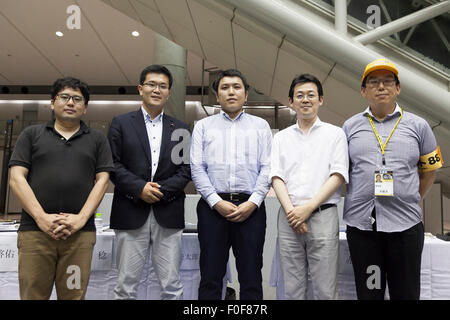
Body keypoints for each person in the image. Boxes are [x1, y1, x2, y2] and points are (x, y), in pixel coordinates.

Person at [342, 58, 443, 300]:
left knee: (405, 293)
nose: (381, 87)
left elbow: (430, 170)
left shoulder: (419, 126)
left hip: (405, 228)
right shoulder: (349, 127)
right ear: (363, 90)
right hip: (364, 229)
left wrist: (413, 197)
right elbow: (342, 171)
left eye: (388, 81)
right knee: (370, 292)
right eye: (374, 82)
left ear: (398, 88)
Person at [9, 77, 113, 300]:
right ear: (52, 102)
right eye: (64, 97)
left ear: (85, 107)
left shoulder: (97, 139)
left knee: (73, 295)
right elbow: (17, 178)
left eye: (77, 99)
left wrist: (81, 219)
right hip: (35, 233)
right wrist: (41, 218)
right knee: (32, 295)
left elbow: (103, 180)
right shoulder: (31, 134)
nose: (70, 103)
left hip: (78, 237)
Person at [108, 65, 191, 300]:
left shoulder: (181, 129)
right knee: (125, 286)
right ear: (140, 88)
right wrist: (139, 188)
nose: (157, 90)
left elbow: (186, 170)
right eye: (152, 84)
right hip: (130, 209)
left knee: (172, 286)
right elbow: (113, 165)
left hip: (168, 211)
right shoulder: (121, 124)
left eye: (163, 86)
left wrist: (160, 190)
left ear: (169, 92)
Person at [190, 69, 272, 300]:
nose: (231, 92)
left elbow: (267, 167)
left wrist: (253, 202)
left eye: (237, 87)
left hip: (251, 209)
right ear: (217, 96)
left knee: (251, 276)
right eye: (225, 88)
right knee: (210, 275)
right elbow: (197, 168)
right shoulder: (203, 126)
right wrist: (216, 202)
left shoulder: (261, 126)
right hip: (212, 208)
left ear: (246, 94)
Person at [270, 74, 349, 299]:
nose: (305, 100)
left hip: (323, 215)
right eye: (300, 95)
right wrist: (293, 213)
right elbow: (276, 177)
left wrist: (308, 208)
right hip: (288, 217)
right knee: (292, 289)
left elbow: (338, 175)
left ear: (320, 100)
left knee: (325, 289)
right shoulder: (281, 138)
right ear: (291, 101)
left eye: (311, 95)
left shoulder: (335, 134)